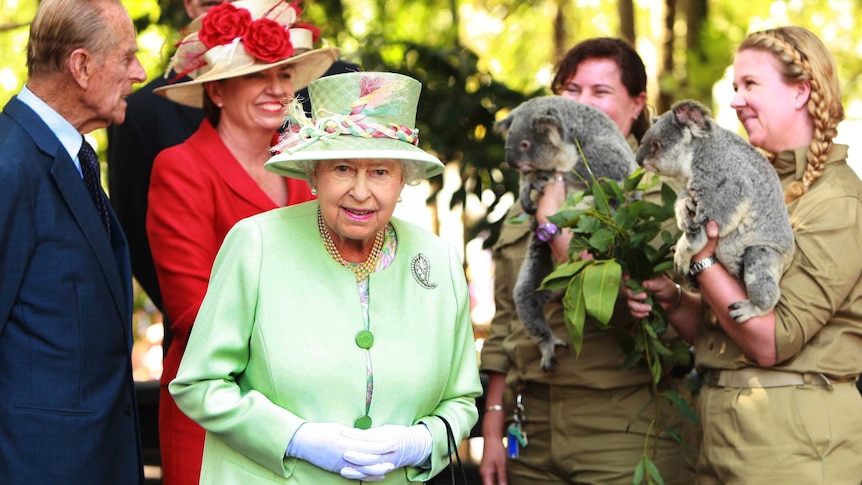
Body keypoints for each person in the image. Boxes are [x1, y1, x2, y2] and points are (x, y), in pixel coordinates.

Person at [167, 70, 481, 484]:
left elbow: (461, 401)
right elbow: (199, 384)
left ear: (404, 179)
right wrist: (297, 438)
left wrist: (422, 442)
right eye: (343, 168)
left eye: (381, 172)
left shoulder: (437, 258)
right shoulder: (256, 243)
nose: (361, 191)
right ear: (314, 175)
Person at [625, 26, 862, 483]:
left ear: (801, 92)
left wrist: (703, 260)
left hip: (791, 447)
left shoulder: (838, 202)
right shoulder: (752, 179)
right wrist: (675, 302)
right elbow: (721, 330)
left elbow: (770, 340)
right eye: (734, 86)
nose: (735, 100)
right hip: (716, 434)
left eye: (750, 84)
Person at [480, 37, 695, 485]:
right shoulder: (534, 192)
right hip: (533, 429)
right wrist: (494, 426)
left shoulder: (662, 198)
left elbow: (652, 322)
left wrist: (559, 235)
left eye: (600, 92)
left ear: (637, 106)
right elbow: (505, 322)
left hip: (624, 429)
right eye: (571, 90)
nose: (581, 104)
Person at [145, 1, 338, 482]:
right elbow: (194, 310)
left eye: (286, 74)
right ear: (217, 89)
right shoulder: (181, 167)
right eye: (258, 75)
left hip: (303, 417)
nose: (278, 90)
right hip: (210, 416)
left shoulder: (306, 175)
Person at [0, 0, 147, 483]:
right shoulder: (9, 163)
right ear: (81, 66)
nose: (140, 73)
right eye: (127, 57)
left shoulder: (72, 156)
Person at [108, 0, 232, 339]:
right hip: (197, 334)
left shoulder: (309, 88)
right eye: (215, 4)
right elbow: (134, 233)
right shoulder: (143, 112)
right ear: (192, 6)